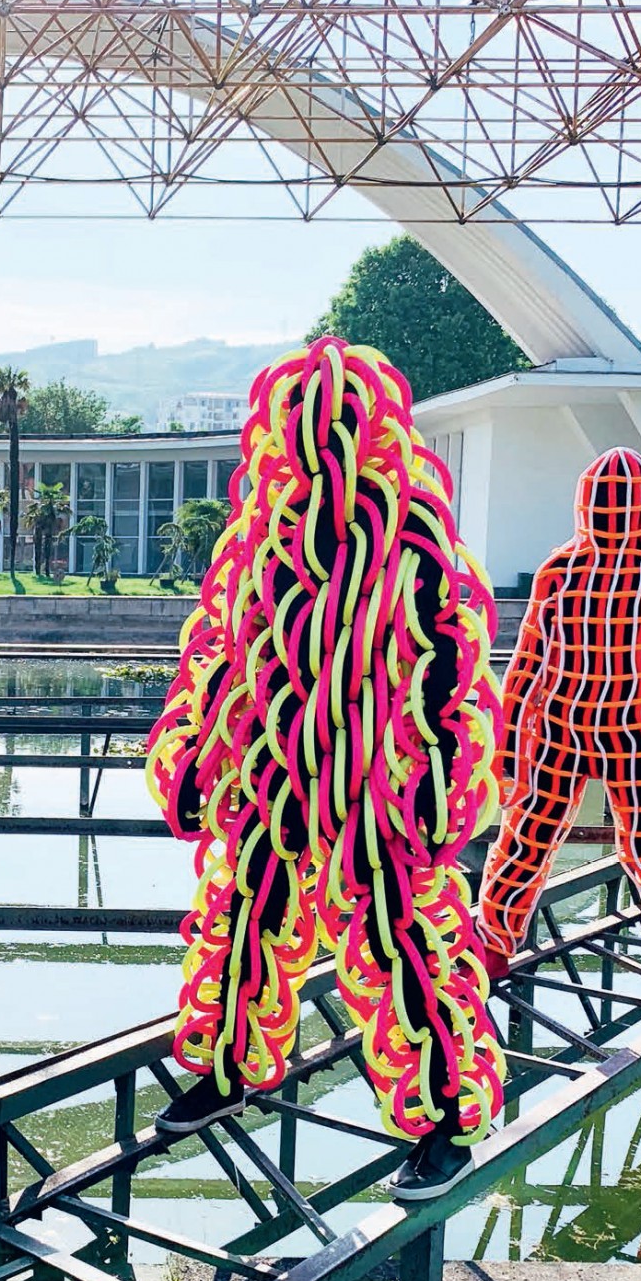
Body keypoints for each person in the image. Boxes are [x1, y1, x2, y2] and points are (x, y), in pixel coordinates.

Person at [146, 336, 506, 1201]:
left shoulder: (410, 541)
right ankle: (228, 1067)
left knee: (403, 950)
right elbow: (222, 654)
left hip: (373, 795)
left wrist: (435, 785)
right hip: (271, 784)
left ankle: (447, 1119)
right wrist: (193, 759)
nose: (317, 442)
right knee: (243, 930)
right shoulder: (264, 538)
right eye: (302, 423)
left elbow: (449, 669)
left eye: (332, 422)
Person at [476, 449, 641, 1025]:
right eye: (603, 502)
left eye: (619, 504)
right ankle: (495, 942)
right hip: (561, 727)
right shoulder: (561, 570)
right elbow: (529, 662)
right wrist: (512, 751)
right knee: (525, 837)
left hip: (638, 735)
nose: (611, 514)